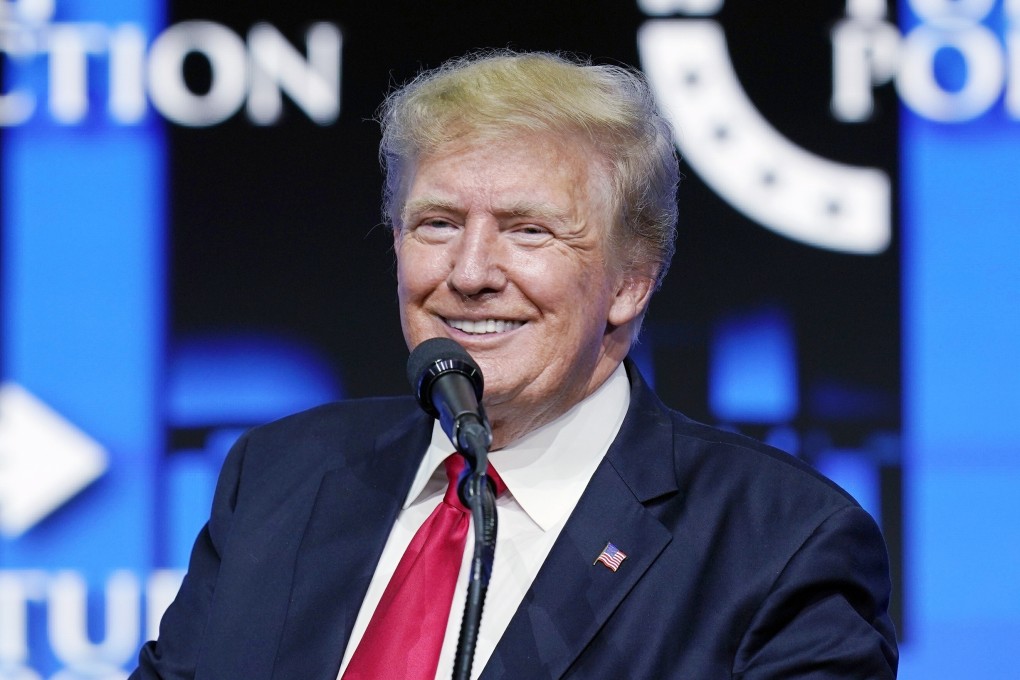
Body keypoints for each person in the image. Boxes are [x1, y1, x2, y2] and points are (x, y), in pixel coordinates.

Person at [131, 50, 898, 679]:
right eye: (436, 223)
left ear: (632, 279)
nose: (469, 273)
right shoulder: (280, 476)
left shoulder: (781, 545)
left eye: (528, 231)